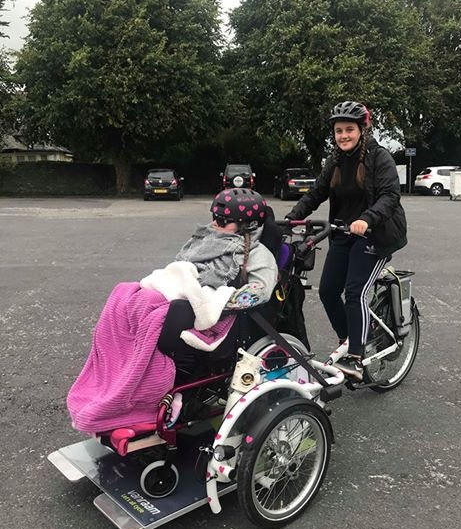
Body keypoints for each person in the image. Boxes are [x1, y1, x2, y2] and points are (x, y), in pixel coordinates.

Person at [67, 189, 279, 433]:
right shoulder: (205, 238)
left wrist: (217, 301)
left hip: (215, 312)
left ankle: (147, 393)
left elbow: (260, 291)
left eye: (222, 221)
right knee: (124, 296)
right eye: (214, 217)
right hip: (179, 294)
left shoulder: (256, 253)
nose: (214, 224)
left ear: (248, 225)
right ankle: (120, 382)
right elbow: (179, 267)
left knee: (168, 315)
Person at [285, 101, 407, 381]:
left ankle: (357, 355)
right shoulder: (336, 161)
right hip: (343, 232)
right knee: (328, 291)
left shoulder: (379, 158)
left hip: (377, 234)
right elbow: (316, 193)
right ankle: (349, 338)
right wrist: (291, 219)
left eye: (349, 130)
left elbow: (390, 196)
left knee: (355, 292)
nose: (343, 136)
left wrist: (367, 218)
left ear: (362, 130)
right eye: (338, 131)